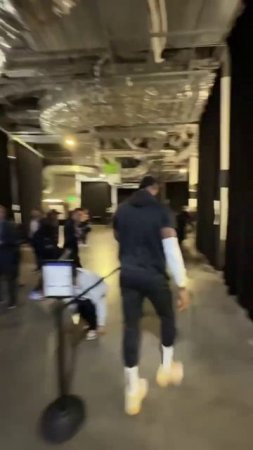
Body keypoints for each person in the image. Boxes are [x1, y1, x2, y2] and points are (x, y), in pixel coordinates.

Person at [113, 176, 190, 415]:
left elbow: (117, 236)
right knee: (167, 318)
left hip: (128, 275)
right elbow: (171, 249)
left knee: (131, 328)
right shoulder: (161, 211)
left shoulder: (122, 210)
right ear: (155, 189)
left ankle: (133, 389)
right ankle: (166, 370)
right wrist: (182, 284)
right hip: (154, 277)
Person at [73, 267, 107, 340]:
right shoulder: (70, 282)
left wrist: (101, 324)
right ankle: (87, 323)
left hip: (96, 291)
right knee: (78, 305)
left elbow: (100, 303)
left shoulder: (87, 280)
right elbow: (72, 304)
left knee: (88, 307)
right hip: (82, 294)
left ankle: (93, 328)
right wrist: (75, 322)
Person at [0, 205, 18, 309]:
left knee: (10, 280)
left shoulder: (9, 225)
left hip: (7, 256)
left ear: (3, 213)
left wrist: (2, 242)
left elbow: (14, 241)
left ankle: (12, 301)